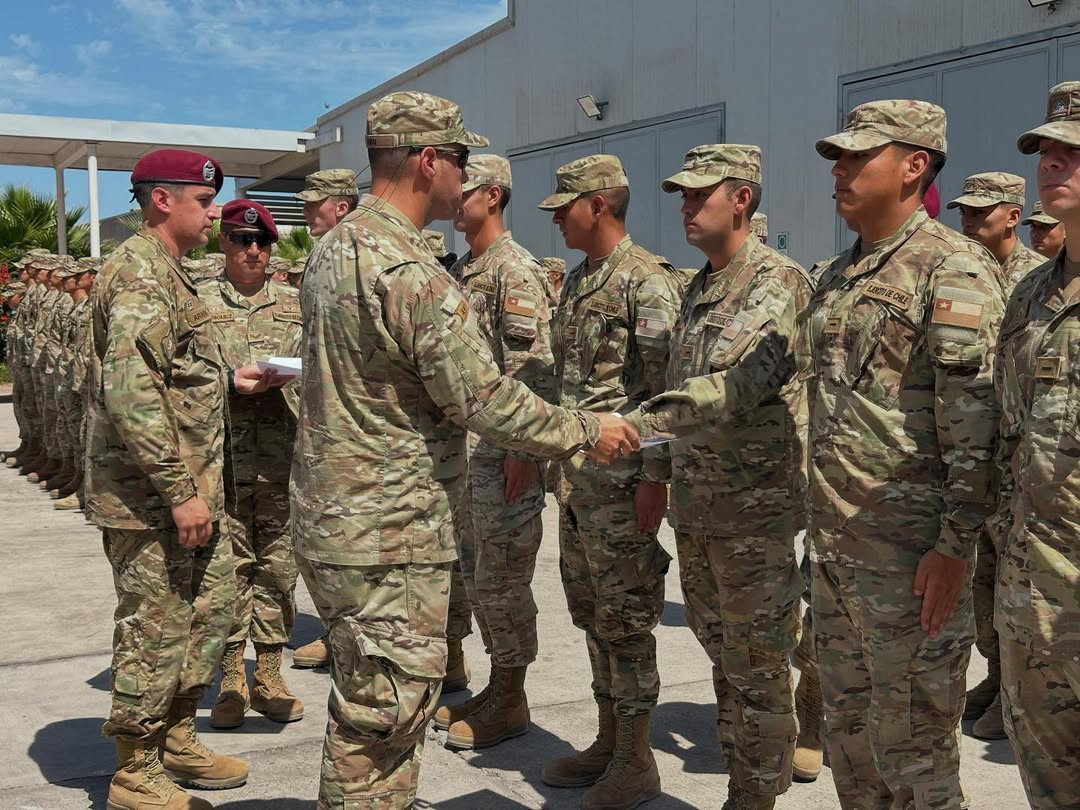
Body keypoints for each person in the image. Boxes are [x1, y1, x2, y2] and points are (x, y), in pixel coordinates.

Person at [290, 91, 638, 810]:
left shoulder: (334, 250)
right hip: (391, 533)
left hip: (338, 522)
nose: (464, 173)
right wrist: (586, 429)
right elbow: (482, 399)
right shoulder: (409, 272)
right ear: (427, 161)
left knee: (363, 707)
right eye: (457, 158)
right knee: (384, 721)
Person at [806, 100, 1004, 809]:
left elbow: (977, 431)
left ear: (914, 165)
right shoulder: (836, 277)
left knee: (917, 761)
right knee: (853, 753)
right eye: (838, 157)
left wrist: (956, 548)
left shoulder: (952, 270)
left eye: (859, 156)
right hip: (837, 559)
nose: (840, 170)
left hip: (913, 570)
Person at [85, 149, 280, 810]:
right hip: (152, 500)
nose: (213, 216)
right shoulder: (139, 273)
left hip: (191, 493)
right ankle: (134, 769)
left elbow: (175, 377)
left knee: (208, 614)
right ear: (163, 200)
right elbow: (132, 393)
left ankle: (175, 735)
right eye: (203, 202)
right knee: (155, 628)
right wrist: (178, 490)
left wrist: (232, 380)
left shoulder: (169, 273)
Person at [622, 144, 809, 810]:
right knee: (723, 659)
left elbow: (735, 383)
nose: (686, 206)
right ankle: (746, 776)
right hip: (699, 509)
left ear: (742, 199)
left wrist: (631, 426)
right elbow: (675, 381)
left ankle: (754, 796)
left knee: (757, 668)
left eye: (700, 194)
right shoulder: (697, 285)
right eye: (681, 195)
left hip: (753, 513)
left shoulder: (775, 280)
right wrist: (656, 470)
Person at [537, 154, 684, 810]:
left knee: (626, 622)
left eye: (564, 206)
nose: (557, 219)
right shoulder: (578, 282)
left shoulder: (645, 282)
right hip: (579, 489)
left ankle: (636, 756)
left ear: (597, 204)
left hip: (624, 489)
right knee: (593, 616)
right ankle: (607, 737)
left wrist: (655, 477)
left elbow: (665, 394)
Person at [433, 154, 555, 749]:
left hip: (504, 454)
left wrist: (524, 450)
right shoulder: (464, 270)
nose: (456, 198)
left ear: (495, 196)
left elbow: (531, 368)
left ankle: (512, 695)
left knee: (505, 579)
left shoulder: (515, 271)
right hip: (468, 457)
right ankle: (495, 683)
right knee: (478, 578)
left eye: (468, 190)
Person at [994, 80, 1080, 810]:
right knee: (1048, 785)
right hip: (1033, 598)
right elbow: (1006, 437)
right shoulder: (1029, 296)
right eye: (1046, 153)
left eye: (1072, 153)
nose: (1051, 164)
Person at [944, 171, 1045, 741]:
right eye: (964, 212)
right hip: (981, 456)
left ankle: (1015, 688)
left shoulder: (1032, 278)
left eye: (982, 213)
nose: (970, 222)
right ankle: (997, 673)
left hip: (1022, 468)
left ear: (1013, 215)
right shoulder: (963, 271)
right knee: (981, 583)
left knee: (1013, 586)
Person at [200, 200, 305, 731]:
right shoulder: (197, 301)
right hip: (222, 461)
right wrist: (227, 382)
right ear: (223, 242)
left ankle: (268, 673)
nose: (253, 251)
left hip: (281, 460)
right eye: (243, 241)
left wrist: (292, 379)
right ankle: (230, 681)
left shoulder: (295, 304)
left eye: (262, 242)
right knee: (225, 573)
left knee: (278, 571)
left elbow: (322, 371)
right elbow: (185, 375)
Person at [948, 172, 1044, 292]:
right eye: (963, 212)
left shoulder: (1041, 275)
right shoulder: (953, 266)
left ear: (1012, 217)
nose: (967, 222)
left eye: (978, 212)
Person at [296, 168, 359, 237]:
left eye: (313, 203)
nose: (305, 211)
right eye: (306, 203)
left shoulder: (356, 244)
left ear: (341, 208)